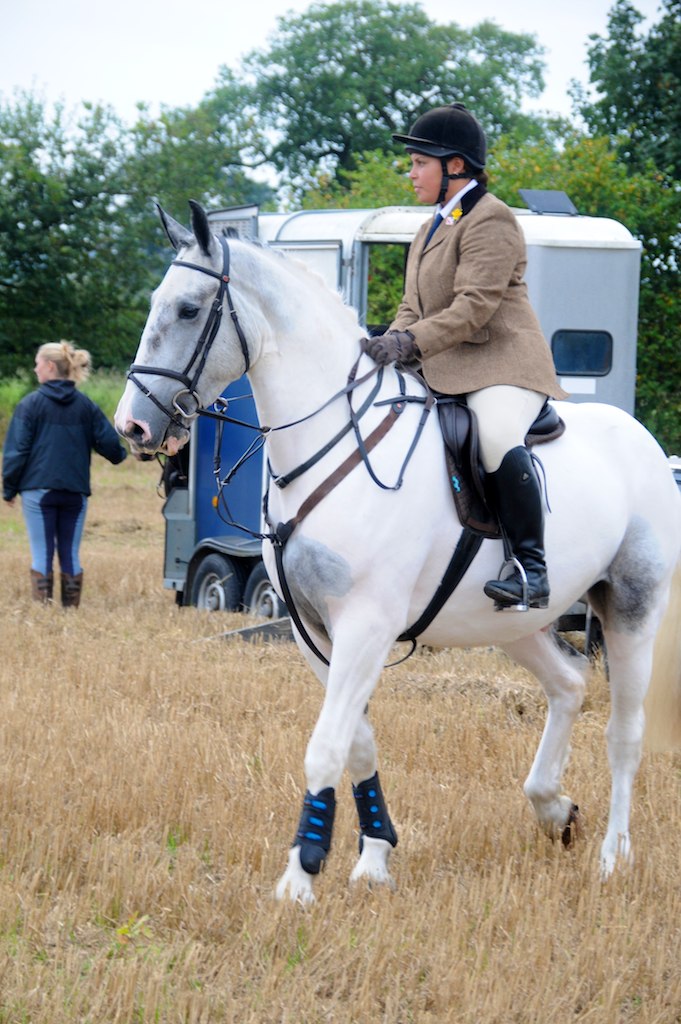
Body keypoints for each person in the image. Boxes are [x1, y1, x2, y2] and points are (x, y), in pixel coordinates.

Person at [365, 102, 568, 610]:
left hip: (503, 363)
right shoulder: (430, 224)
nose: (410, 172)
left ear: (454, 166)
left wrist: (409, 345)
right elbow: (412, 304)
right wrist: (387, 343)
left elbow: (474, 306)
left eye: (419, 163)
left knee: (496, 434)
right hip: (445, 363)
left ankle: (530, 568)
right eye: (411, 163)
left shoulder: (491, 218)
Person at [2, 340, 128, 606]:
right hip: (75, 492)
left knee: (42, 553)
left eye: (37, 364)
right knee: (70, 552)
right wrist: (123, 455)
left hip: (38, 492)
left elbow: (16, 452)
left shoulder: (30, 405)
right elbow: (110, 447)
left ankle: (44, 610)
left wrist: (9, 489)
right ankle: (70, 611)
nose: (35, 370)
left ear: (49, 366)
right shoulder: (86, 406)